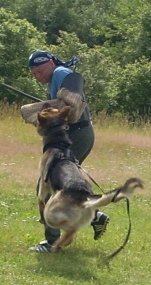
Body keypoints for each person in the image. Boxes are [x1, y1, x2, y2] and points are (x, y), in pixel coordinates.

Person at [26, 50, 110, 253]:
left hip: (76, 134)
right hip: (77, 134)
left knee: (48, 183)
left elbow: (73, 102)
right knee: (66, 182)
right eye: (34, 74)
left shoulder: (61, 74)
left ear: (51, 64)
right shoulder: (55, 78)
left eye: (39, 70)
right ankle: (95, 215)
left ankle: (51, 241)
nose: (37, 76)